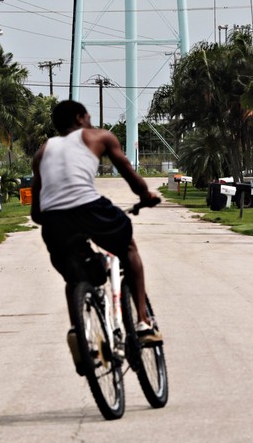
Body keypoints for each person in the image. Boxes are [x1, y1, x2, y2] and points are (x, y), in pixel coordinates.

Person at [31, 99, 162, 346]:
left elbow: (36, 214)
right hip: (89, 209)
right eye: (88, 116)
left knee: (74, 279)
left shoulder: (42, 152)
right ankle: (143, 321)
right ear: (81, 118)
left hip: (53, 221)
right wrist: (146, 196)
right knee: (129, 248)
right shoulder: (98, 137)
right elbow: (130, 176)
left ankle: (78, 335)